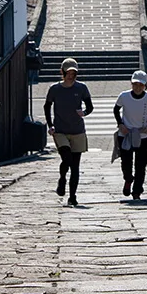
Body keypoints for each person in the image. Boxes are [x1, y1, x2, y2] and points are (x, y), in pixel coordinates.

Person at [44, 58, 92, 205]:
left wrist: (84, 113)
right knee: (67, 158)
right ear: (62, 72)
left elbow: (89, 106)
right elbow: (47, 106)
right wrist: (50, 125)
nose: (71, 76)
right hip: (60, 130)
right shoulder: (55, 89)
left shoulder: (81, 88)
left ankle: (73, 196)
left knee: (76, 165)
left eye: (73, 73)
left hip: (77, 130)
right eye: (68, 73)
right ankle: (62, 178)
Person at [114, 71, 147, 199]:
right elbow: (116, 109)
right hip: (126, 133)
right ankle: (128, 179)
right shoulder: (124, 96)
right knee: (126, 162)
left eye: (141, 85)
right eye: (135, 84)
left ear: (145, 85)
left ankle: (137, 191)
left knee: (140, 165)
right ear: (131, 84)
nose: (138, 87)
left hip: (142, 135)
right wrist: (120, 124)